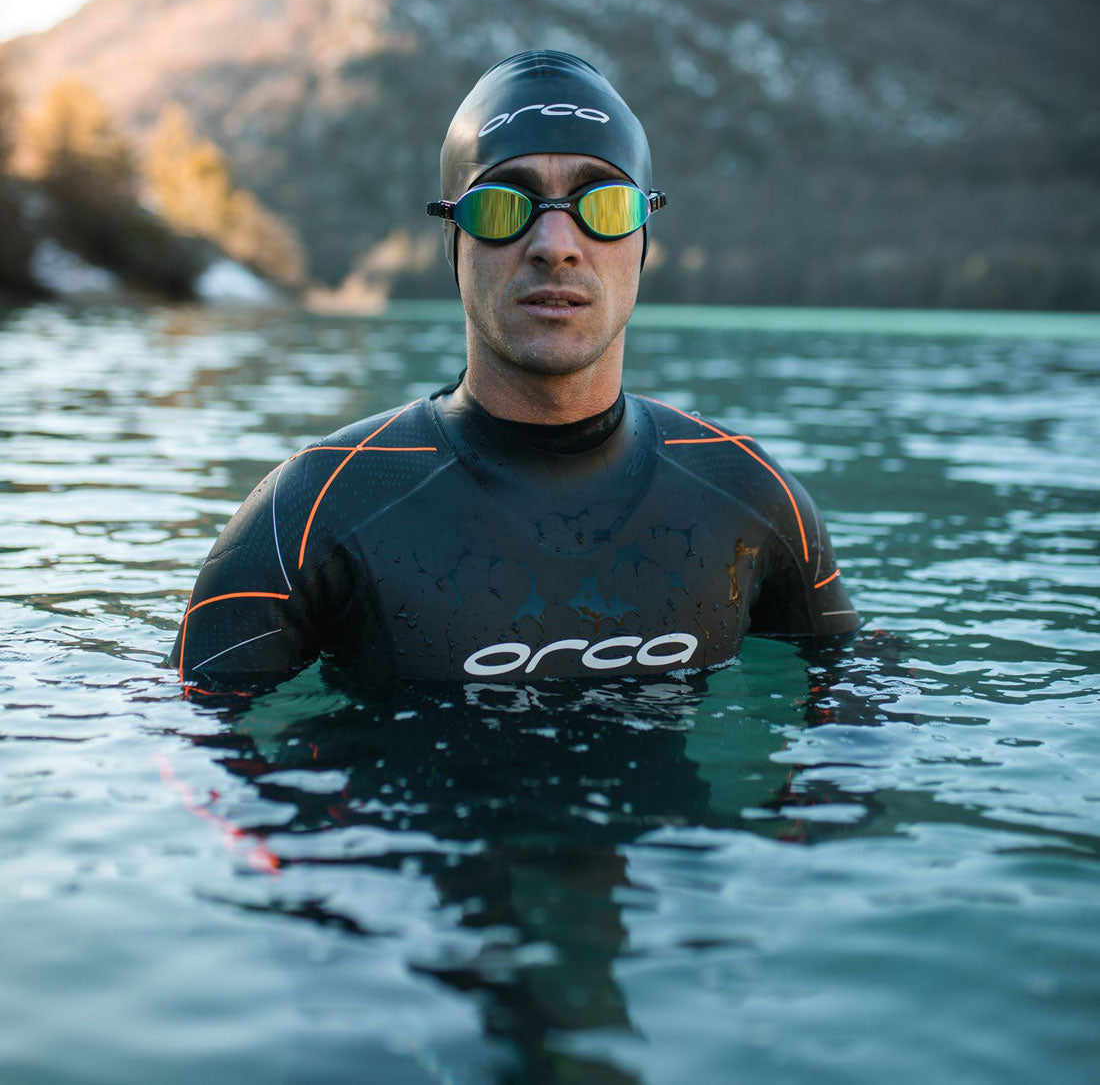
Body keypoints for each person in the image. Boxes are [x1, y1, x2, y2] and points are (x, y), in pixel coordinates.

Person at [170, 50, 858, 695]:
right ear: (455, 240)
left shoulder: (749, 497)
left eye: (604, 204)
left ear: (643, 237)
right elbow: (189, 749)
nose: (555, 245)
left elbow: (857, 725)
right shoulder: (313, 512)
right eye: (504, 206)